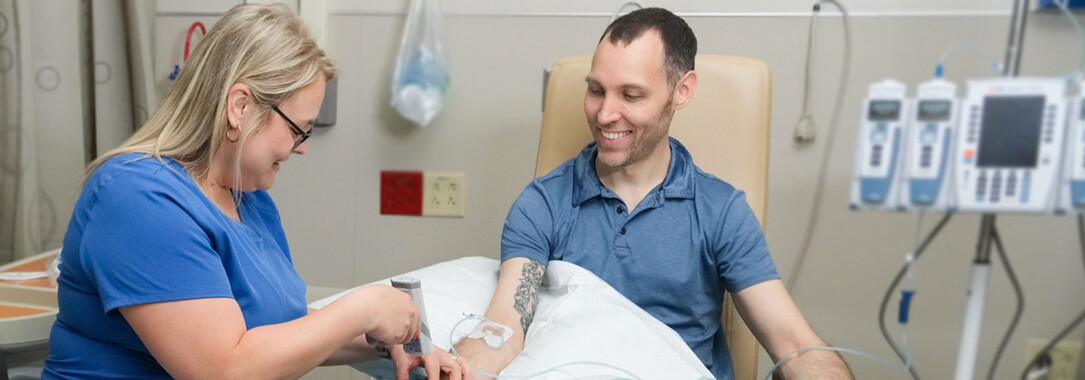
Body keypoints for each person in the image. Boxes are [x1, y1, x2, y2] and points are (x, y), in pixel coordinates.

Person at [42, 4, 469, 379]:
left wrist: (384, 340)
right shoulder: (136, 198)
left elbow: (283, 330)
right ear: (240, 107)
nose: (301, 148)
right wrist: (365, 308)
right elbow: (224, 368)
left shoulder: (249, 199)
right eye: (298, 130)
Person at [453, 8, 853, 380]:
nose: (605, 114)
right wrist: (453, 369)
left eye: (631, 95)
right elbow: (503, 328)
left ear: (681, 91)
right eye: (596, 90)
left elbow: (797, 348)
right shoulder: (543, 204)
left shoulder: (720, 211)